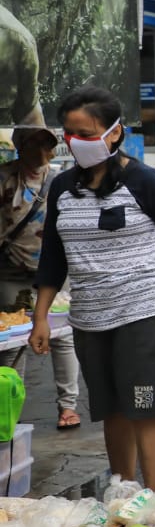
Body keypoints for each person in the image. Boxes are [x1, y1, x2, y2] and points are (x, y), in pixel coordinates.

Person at [29, 87, 155, 490]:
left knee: (144, 408)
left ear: (115, 133)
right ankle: (122, 492)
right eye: (70, 133)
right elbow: (54, 255)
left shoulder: (145, 182)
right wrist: (40, 317)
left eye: (87, 133)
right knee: (112, 410)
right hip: (90, 318)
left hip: (145, 314)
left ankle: (154, 503)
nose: (77, 142)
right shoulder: (63, 188)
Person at [0, 125, 83, 429]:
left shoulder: (62, 180)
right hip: (10, 270)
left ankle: (68, 406)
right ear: (20, 146)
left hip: (55, 271)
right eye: (32, 143)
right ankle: (10, 406)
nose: (39, 149)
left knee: (62, 338)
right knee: (11, 341)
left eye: (45, 143)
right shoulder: (5, 177)